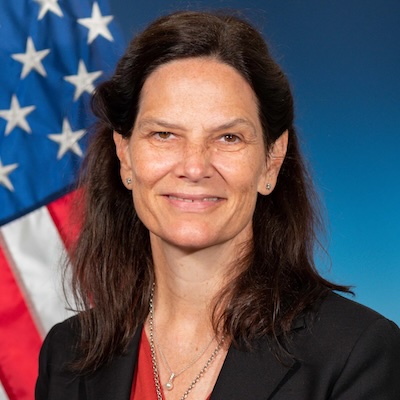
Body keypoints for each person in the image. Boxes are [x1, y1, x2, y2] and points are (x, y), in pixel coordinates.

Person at [35, 10, 400, 400]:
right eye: (164, 134)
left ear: (271, 160)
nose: (194, 166)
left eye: (228, 137)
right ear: (125, 154)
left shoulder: (357, 354)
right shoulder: (68, 354)